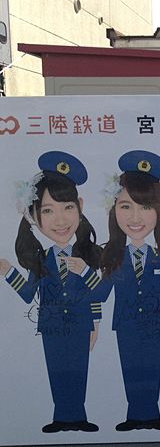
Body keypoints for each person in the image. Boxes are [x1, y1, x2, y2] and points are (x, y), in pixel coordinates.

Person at [0, 151, 102, 433]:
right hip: (51, 325)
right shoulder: (41, 259)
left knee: (79, 370)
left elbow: (96, 293)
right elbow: (28, 293)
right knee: (57, 370)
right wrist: (8, 272)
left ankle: (78, 417)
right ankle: (61, 418)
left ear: (80, 207)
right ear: (33, 216)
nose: (60, 220)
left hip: (81, 323)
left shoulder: (86, 256)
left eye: (67, 207)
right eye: (47, 211)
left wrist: (95, 321)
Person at [96, 150, 160, 431]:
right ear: (113, 210)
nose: (135, 217)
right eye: (126, 206)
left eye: (146, 207)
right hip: (126, 323)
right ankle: (134, 415)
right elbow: (101, 293)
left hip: (156, 323)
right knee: (131, 367)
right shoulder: (113, 256)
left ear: (159, 212)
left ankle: (151, 415)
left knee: (153, 367)